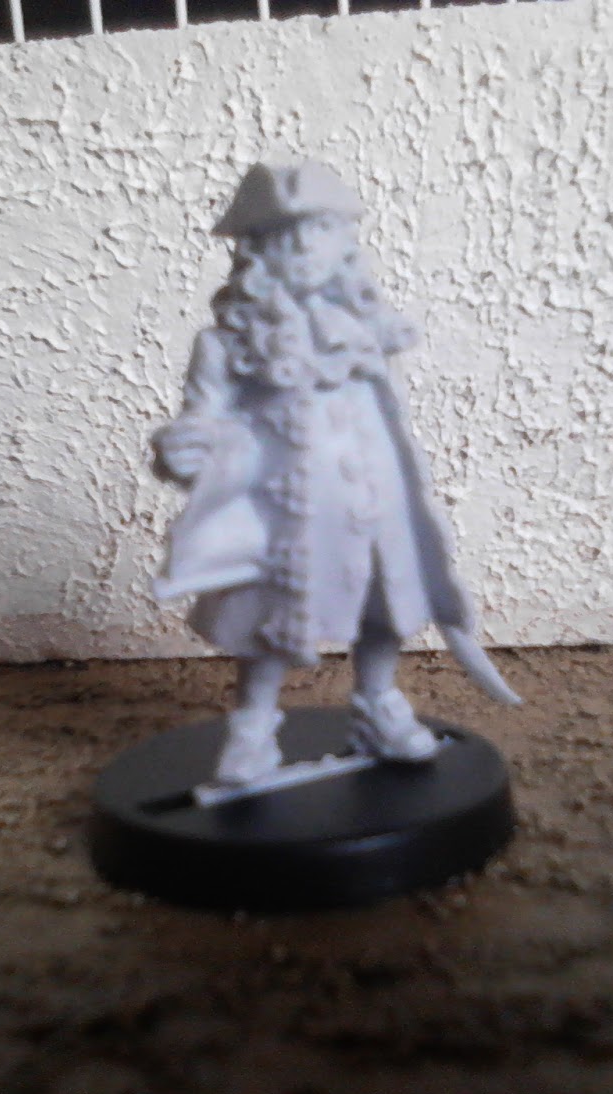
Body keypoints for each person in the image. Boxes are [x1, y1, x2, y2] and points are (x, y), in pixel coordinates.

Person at [152, 162, 517, 787]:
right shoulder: (228, 343)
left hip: (374, 497)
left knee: (386, 604)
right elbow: (204, 416)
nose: (308, 252)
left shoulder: (363, 329)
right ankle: (253, 727)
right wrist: (184, 450)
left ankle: (377, 702)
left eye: (323, 233)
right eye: (290, 239)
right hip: (286, 509)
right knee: (270, 619)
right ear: (258, 253)